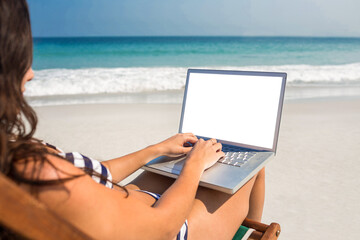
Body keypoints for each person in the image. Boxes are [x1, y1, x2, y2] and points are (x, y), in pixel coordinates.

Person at [0, 0, 265, 239]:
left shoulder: (11, 152)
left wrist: (156, 150)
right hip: (172, 227)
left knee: (232, 156)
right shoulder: (38, 172)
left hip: (128, 204)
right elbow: (163, 228)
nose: (31, 73)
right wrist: (194, 166)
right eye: (20, 57)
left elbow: (90, 175)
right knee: (253, 161)